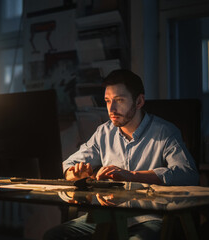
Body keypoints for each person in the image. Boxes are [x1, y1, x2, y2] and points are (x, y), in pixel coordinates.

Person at [43, 69, 199, 240]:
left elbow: (188, 174)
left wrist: (132, 176)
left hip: (148, 217)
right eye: (108, 101)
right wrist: (73, 173)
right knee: (54, 236)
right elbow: (67, 164)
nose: (111, 109)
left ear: (139, 101)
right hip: (107, 216)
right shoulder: (103, 133)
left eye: (119, 100)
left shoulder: (164, 132)